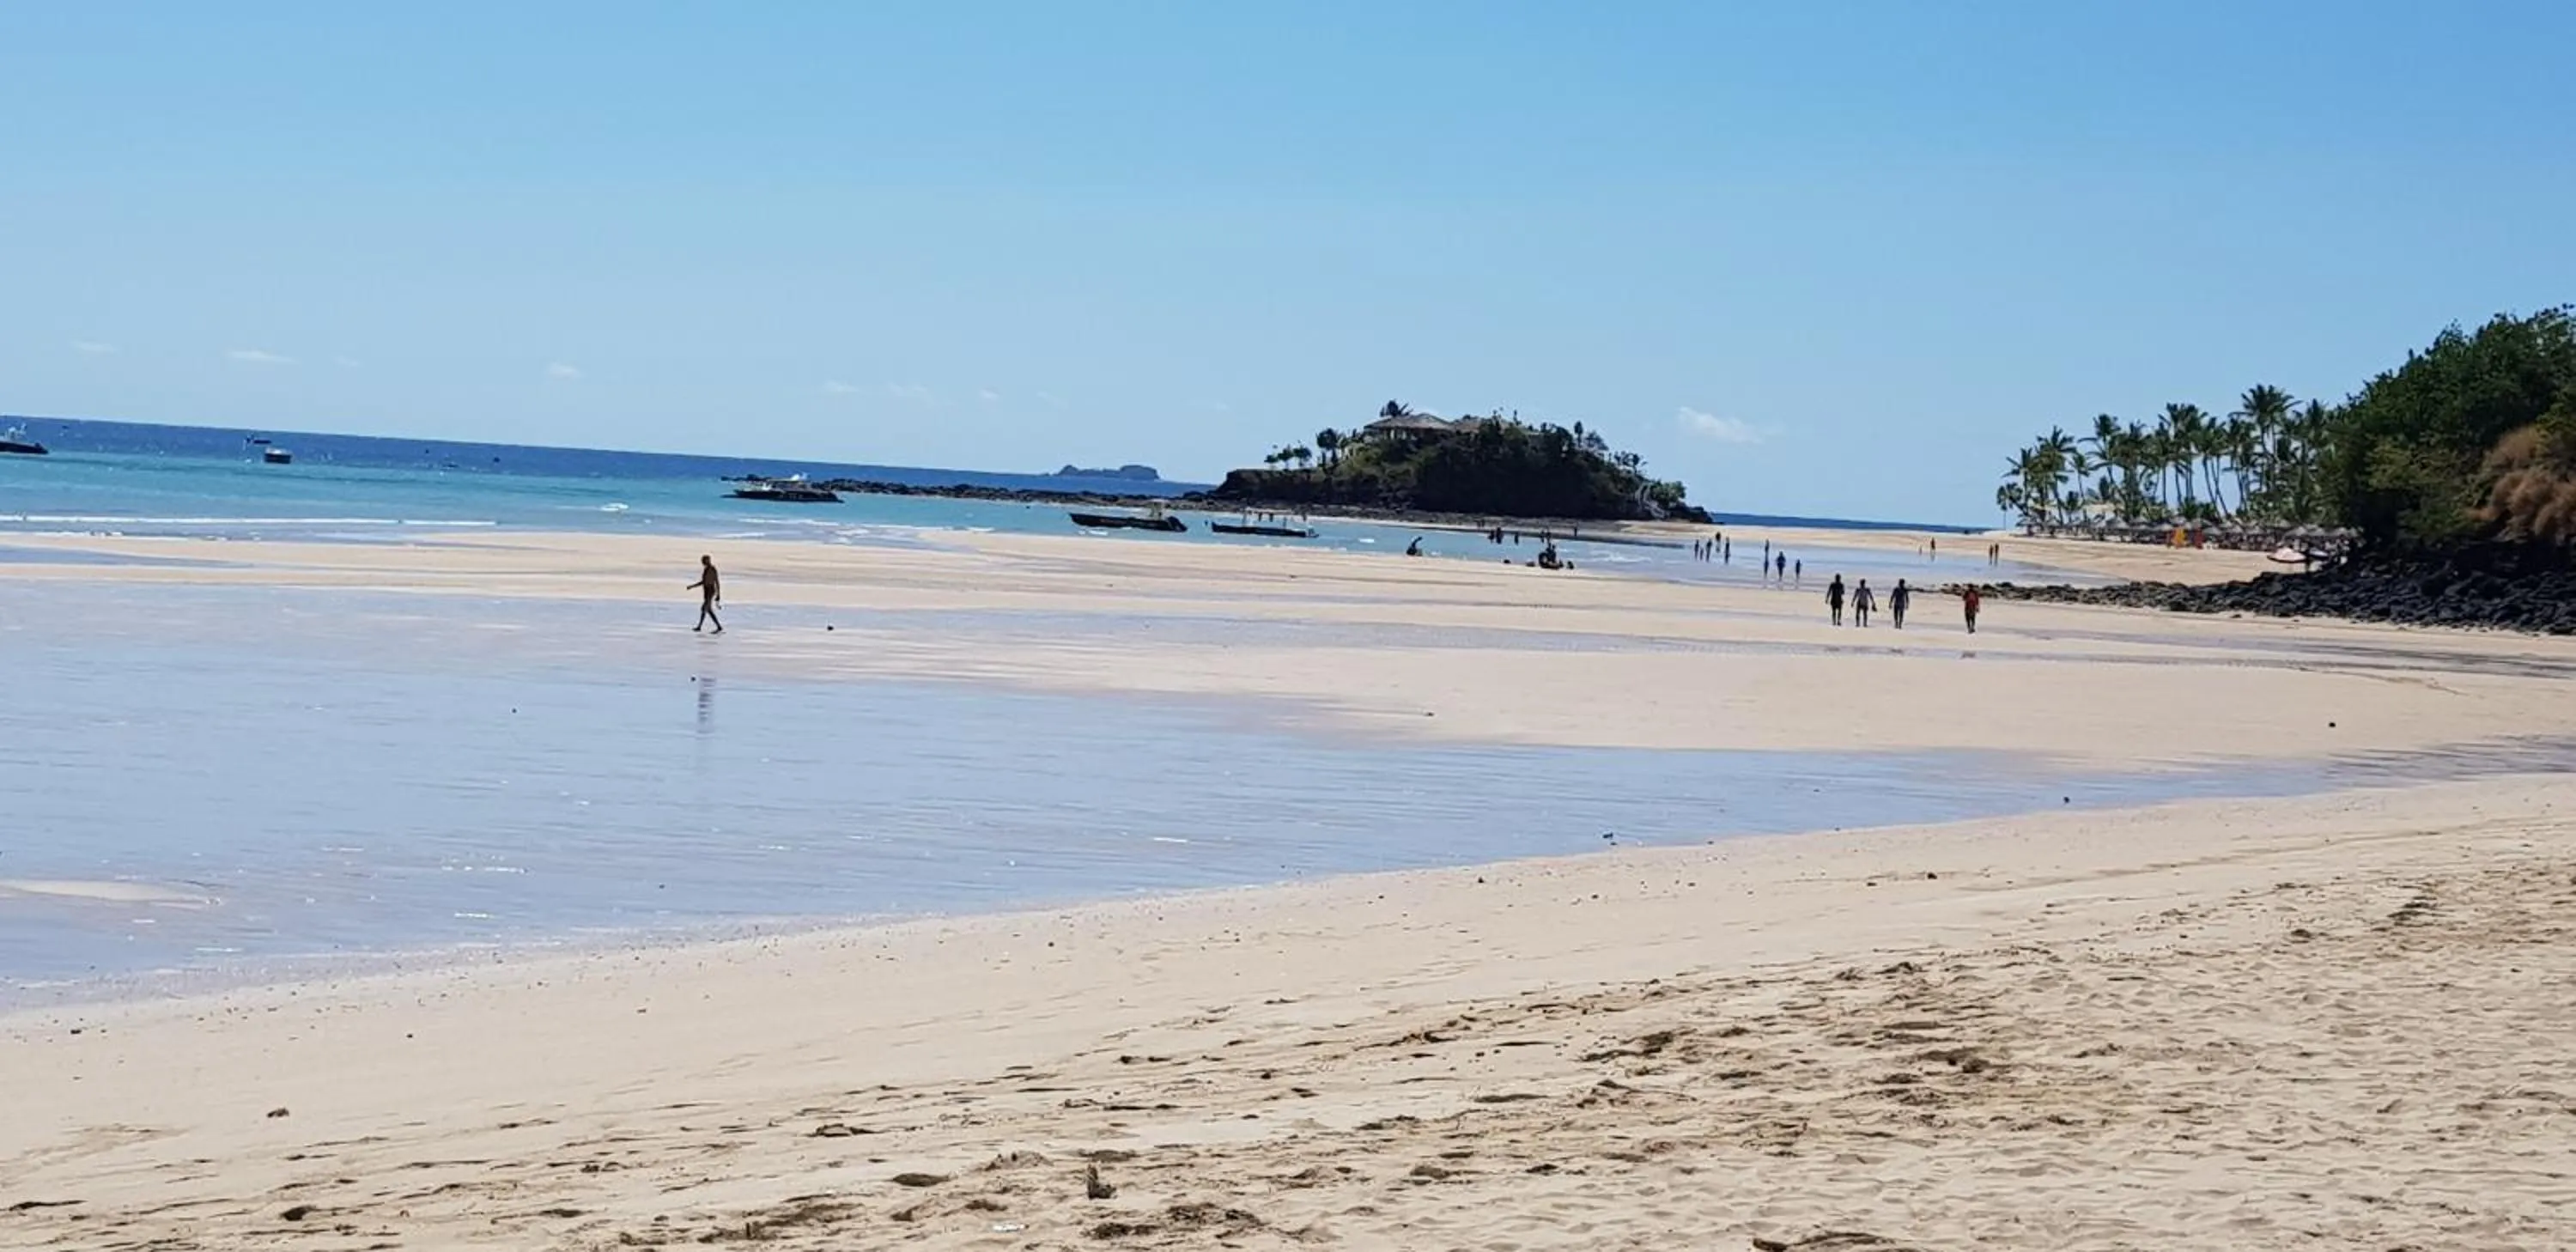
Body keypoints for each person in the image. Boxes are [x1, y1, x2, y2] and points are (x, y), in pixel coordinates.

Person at [688, 555, 723, 634]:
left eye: (704, 560)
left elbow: (716, 582)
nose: (702, 562)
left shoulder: (712, 569)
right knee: (708, 610)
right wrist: (692, 586)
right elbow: (703, 582)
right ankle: (718, 627)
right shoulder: (706, 569)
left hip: (710, 591)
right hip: (707, 591)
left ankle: (700, 626)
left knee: (704, 608)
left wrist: (718, 594)